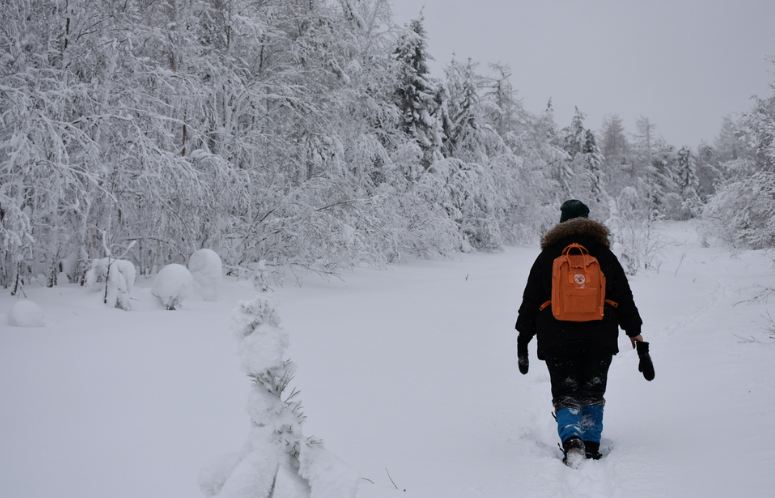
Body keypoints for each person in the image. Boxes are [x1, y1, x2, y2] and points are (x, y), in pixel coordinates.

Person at [515, 199, 644, 464]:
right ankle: (592, 442)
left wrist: (523, 335)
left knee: (566, 390)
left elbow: (530, 299)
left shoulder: (548, 255)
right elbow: (623, 297)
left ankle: (572, 439)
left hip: (556, 337)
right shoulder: (603, 255)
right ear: (588, 220)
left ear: (562, 222)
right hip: (600, 336)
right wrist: (635, 332)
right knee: (593, 391)